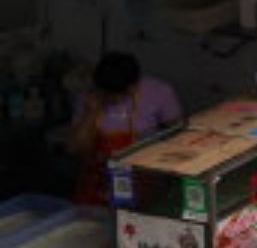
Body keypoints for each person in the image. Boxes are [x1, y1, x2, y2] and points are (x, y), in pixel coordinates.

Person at [70, 52, 182, 204]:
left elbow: (178, 135)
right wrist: (91, 113)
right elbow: (75, 148)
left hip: (142, 179)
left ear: (134, 86)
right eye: (107, 94)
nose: (113, 99)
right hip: (98, 183)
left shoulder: (159, 92)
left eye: (118, 94)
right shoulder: (88, 97)